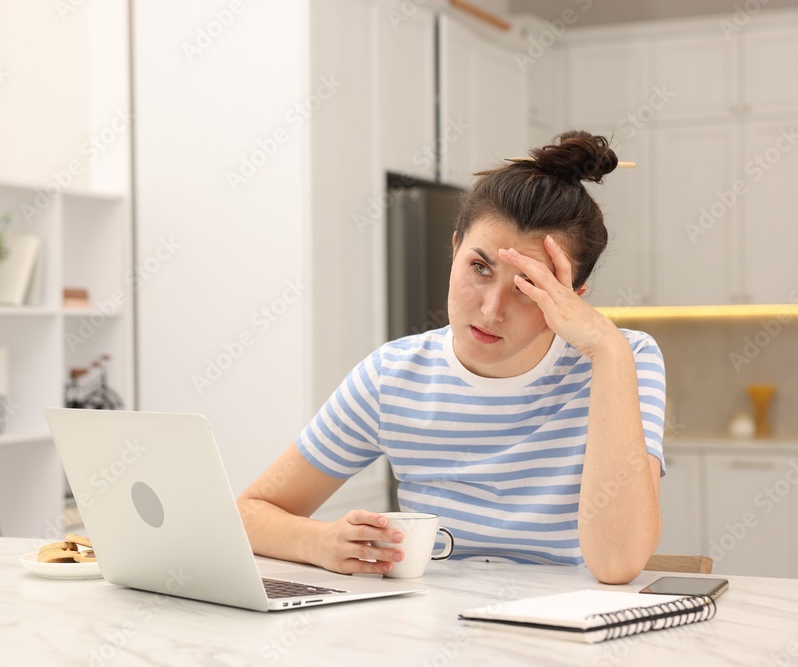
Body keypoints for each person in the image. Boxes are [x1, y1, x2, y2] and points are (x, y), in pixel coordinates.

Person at [237, 130, 665, 585]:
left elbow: (618, 563)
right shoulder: (393, 376)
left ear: (572, 298)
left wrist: (605, 346)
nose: (491, 309)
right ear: (455, 247)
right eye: (479, 268)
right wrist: (319, 542)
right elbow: (248, 513)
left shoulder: (623, 360)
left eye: (528, 287)